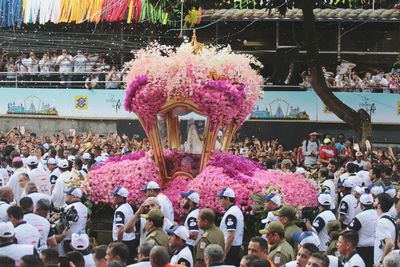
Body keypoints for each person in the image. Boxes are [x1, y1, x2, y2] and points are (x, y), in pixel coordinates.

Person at [347, 193, 377, 267]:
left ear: (361, 204)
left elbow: (349, 232)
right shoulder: (378, 214)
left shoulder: (360, 216)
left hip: (362, 250)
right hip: (376, 249)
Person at [217, 187, 244, 266]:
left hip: (230, 248)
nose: (219, 200)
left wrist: (224, 253)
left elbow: (231, 235)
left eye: (221, 198)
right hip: (234, 247)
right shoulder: (235, 210)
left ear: (227, 199)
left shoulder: (231, 213)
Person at [111, 186, 137, 265]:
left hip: (124, 242)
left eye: (115, 196)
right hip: (131, 240)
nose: (113, 197)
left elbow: (120, 229)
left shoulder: (120, 210)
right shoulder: (128, 206)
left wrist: (118, 244)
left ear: (121, 197)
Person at [62, 188, 88, 253]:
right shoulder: (84, 207)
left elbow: (62, 223)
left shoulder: (69, 208)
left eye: (68, 195)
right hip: (82, 239)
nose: (66, 197)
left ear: (73, 196)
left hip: (70, 240)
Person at [374, 193, 396, 265]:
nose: (373, 202)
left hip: (383, 263)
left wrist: (380, 261)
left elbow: (389, 243)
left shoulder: (382, 222)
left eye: (375, 201)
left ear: (379, 205)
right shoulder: (390, 218)